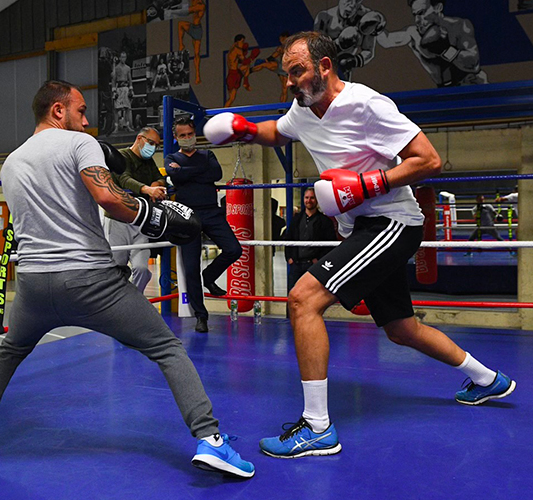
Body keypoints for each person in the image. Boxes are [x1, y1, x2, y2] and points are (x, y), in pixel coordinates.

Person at [202, 31, 515, 459]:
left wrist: (370, 183)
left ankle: (317, 428)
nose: (290, 83)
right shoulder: (304, 107)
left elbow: (428, 160)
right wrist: (246, 130)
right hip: (360, 228)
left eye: (297, 72)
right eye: (286, 75)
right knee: (401, 328)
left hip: (390, 222)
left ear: (325, 67)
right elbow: (280, 131)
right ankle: (487, 380)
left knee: (302, 300)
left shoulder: (367, 105)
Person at [0, 80, 254, 479]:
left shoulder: (10, 162)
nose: (86, 119)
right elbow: (109, 198)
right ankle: (210, 441)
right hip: (89, 281)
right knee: (166, 347)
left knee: (7, 353)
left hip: (32, 285)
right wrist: (155, 216)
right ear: (58, 111)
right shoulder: (80, 145)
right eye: (80, 110)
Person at [165, 116, 243, 333]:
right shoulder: (171, 157)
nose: (187, 138)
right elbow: (174, 175)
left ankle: (209, 276)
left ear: (194, 134)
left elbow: (216, 173)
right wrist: (199, 173)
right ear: (176, 137)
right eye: (183, 135)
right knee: (191, 269)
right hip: (186, 216)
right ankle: (201, 316)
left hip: (211, 212)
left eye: (190, 134)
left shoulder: (207, 154)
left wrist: (184, 172)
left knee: (234, 249)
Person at [104, 127, 168, 292]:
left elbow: (160, 177)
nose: (153, 148)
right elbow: (124, 179)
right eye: (151, 143)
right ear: (139, 138)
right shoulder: (122, 156)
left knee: (141, 269)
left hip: (140, 221)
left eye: (156, 145)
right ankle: (114, 305)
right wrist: (148, 190)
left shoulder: (149, 162)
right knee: (116, 270)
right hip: (117, 221)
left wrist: (157, 185)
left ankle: (132, 302)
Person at [377, 0, 488, 87]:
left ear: (438, 8)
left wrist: (445, 50)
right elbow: (387, 41)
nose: (417, 20)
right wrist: (375, 26)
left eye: (421, 13)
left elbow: (473, 64)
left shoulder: (459, 26)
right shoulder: (414, 34)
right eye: (414, 15)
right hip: (446, 90)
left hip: (473, 85)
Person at [314, 0, 386, 81]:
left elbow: (368, 51)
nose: (351, 5)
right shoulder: (324, 17)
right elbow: (316, 50)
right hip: (323, 69)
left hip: (344, 72)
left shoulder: (367, 18)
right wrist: (338, 44)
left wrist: (355, 61)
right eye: (348, 0)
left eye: (356, 1)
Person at [283, 187, 337, 292]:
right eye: (306, 197)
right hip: (296, 265)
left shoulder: (325, 221)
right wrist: (289, 257)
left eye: (312, 198)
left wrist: (319, 260)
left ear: (317, 200)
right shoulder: (296, 219)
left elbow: (330, 244)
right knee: (293, 295)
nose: (309, 200)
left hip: (313, 266)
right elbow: (288, 238)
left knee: (313, 296)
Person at [177, 0, 206, 84]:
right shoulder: (194, 1)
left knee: (196, 53)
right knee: (180, 24)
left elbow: (189, 10)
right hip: (192, 26)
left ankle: (197, 75)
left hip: (197, 30)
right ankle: (181, 45)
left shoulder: (201, 5)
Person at [112, 51, 134, 132]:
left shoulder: (128, 68)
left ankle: (128, 125)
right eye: (122, 57)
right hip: (118, 88)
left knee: (127, 108)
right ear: (120, 58)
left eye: (124, 57)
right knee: (116, 109)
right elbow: (114, 80)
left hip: (126, 88)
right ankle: (116, 127)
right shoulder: (116, 68)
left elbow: (130, 79)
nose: (123, 59)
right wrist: (114, 91)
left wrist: (131, 89)